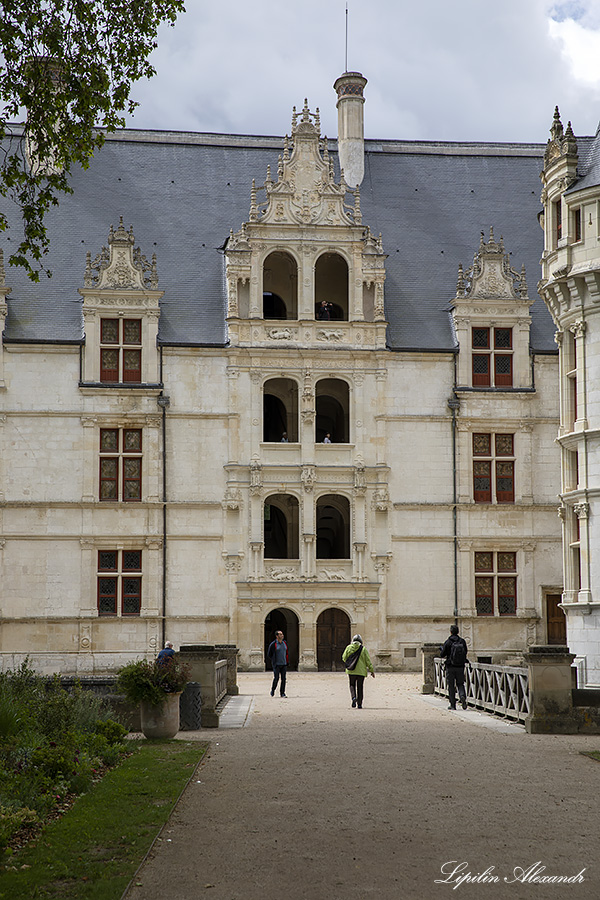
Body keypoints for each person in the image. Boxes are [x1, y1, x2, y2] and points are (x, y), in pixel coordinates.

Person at [440, 624, 469, 710]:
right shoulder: (462, 641)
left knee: (451, 686)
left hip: (450, 667)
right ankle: (462, 695)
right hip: (460, 666)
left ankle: (453, 704)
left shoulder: (448, 642)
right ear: (458, 632)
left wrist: (442, 650)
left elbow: (442, 654)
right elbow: (465, 652)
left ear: (451, 632)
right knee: (460, 684)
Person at [342, 634, 374, 709]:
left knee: (352, 685)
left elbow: (344, 658)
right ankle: (359, 704)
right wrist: (371, 670)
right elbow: (368, 661)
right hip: (361, 671)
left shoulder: (348, 648)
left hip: (351, 670)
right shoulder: (363, 649)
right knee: (360, 687)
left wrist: (349, 662)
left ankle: (353, 698)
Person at [267, 629, 289, 697]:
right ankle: (273, 690)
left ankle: (282, 693)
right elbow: (269, 654)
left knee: (283, 679)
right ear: (277, 636)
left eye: (282, 634)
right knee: (276, 678)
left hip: (284, 663)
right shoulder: (273, 644)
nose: (282, 635)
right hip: (277, 664)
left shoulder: (284, 643)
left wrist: (287, 661)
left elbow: (286, 652)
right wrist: (274, 661)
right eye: (280, 634)